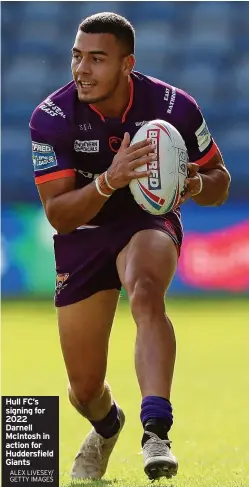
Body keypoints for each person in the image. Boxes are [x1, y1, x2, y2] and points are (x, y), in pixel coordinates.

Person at [29, 12, 231, 481]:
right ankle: (108, 425)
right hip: (82, 229)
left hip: (147, 218)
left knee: (145, 291)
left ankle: (155, 432)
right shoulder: (52, 116)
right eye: (77, 56)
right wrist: (108, 180)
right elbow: (58, 215)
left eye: (96, 59)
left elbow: (220, 180)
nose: (81, 69)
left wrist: (196, 183)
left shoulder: (175, 107)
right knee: (82, 390)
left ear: (127, 64)